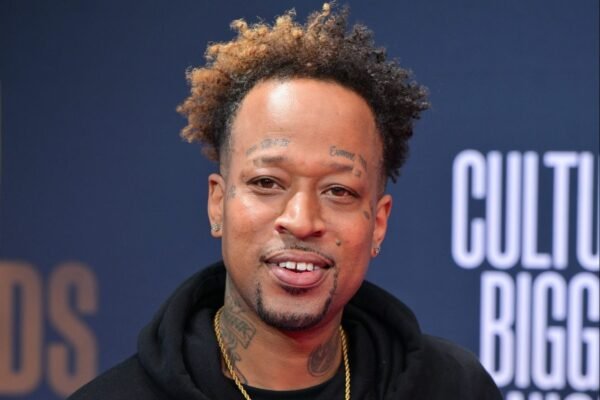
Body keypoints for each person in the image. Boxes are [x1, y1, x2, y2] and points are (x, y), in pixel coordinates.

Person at [69, 4, 502, 399]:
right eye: (267, 182)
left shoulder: (454, 390)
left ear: (379, 223)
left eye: (339, 191)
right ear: (217, 204)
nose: (301, 220)